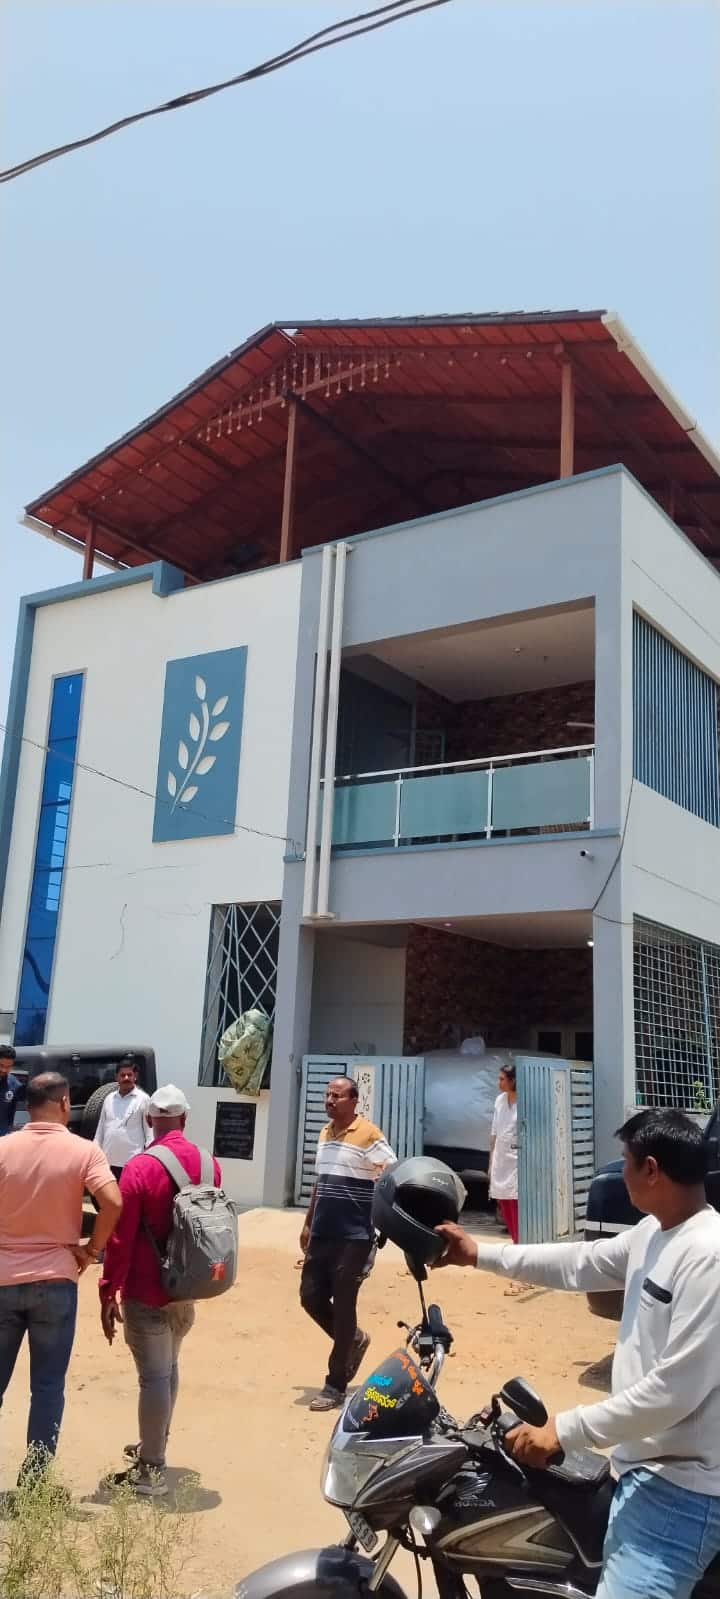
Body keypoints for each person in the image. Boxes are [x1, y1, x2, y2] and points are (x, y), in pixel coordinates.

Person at [436, 1108, 720, 1599]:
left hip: (677, 1492)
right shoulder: (656, 1233)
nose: (622, 1173)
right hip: (639, 1465)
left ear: (652, 1169)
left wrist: (564, 1430)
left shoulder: (707, 1256)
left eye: (626, 1162)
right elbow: (580, 1263)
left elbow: (672, 1393)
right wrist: (479, 1254)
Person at [99, 1084, 221, 1497]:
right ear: (184, 1119)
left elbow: (120, 1239)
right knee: (168, 1368)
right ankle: (156, 1444)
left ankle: (151, 1470)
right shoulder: (208, 1163)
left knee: (153, 1377)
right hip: (188, 1289)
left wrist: (108, 1290)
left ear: (150, 1120)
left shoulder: (139, 1168)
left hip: (147, 1290)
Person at [0, 1072, 121, 1479]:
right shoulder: (84, 1151)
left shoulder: (3, 1148)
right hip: (55, 1279)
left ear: (26, 1105)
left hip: (3, 1278)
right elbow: (112, 1202)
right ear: (66, 1103)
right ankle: (35, 1480)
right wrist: (91, 1250)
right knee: (48, 1386)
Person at [299, 1076, 394, 1412]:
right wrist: (308, 1222)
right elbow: (320, 1182)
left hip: (355, 1235)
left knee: (343, 1305)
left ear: (354, 1100)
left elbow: (390, 1175)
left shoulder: (369, 1134)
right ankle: (352, 1339)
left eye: (337, 1095)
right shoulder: (324, 1134)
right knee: (310, 1297)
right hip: (323, 1231)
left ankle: (334, 1385)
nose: (330, 1100)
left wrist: (383, 1215)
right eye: (327, 1095)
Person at [94, 1056, 151, 1180]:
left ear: (135, 1076)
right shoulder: (109, 1099)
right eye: (122, 1075)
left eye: (129, 1075)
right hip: (108, 1162)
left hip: (132, 1163)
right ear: (116, 1077)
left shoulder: (143, 1099)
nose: (126, 1078)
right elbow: (101, 1130)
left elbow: (149, 1133)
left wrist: (149, 1159)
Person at [0, 1044, 23, 1137]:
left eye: (8, 1066)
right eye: (1, 1065)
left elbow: (12, 1113)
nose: (4, 1070)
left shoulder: (14, 1084)